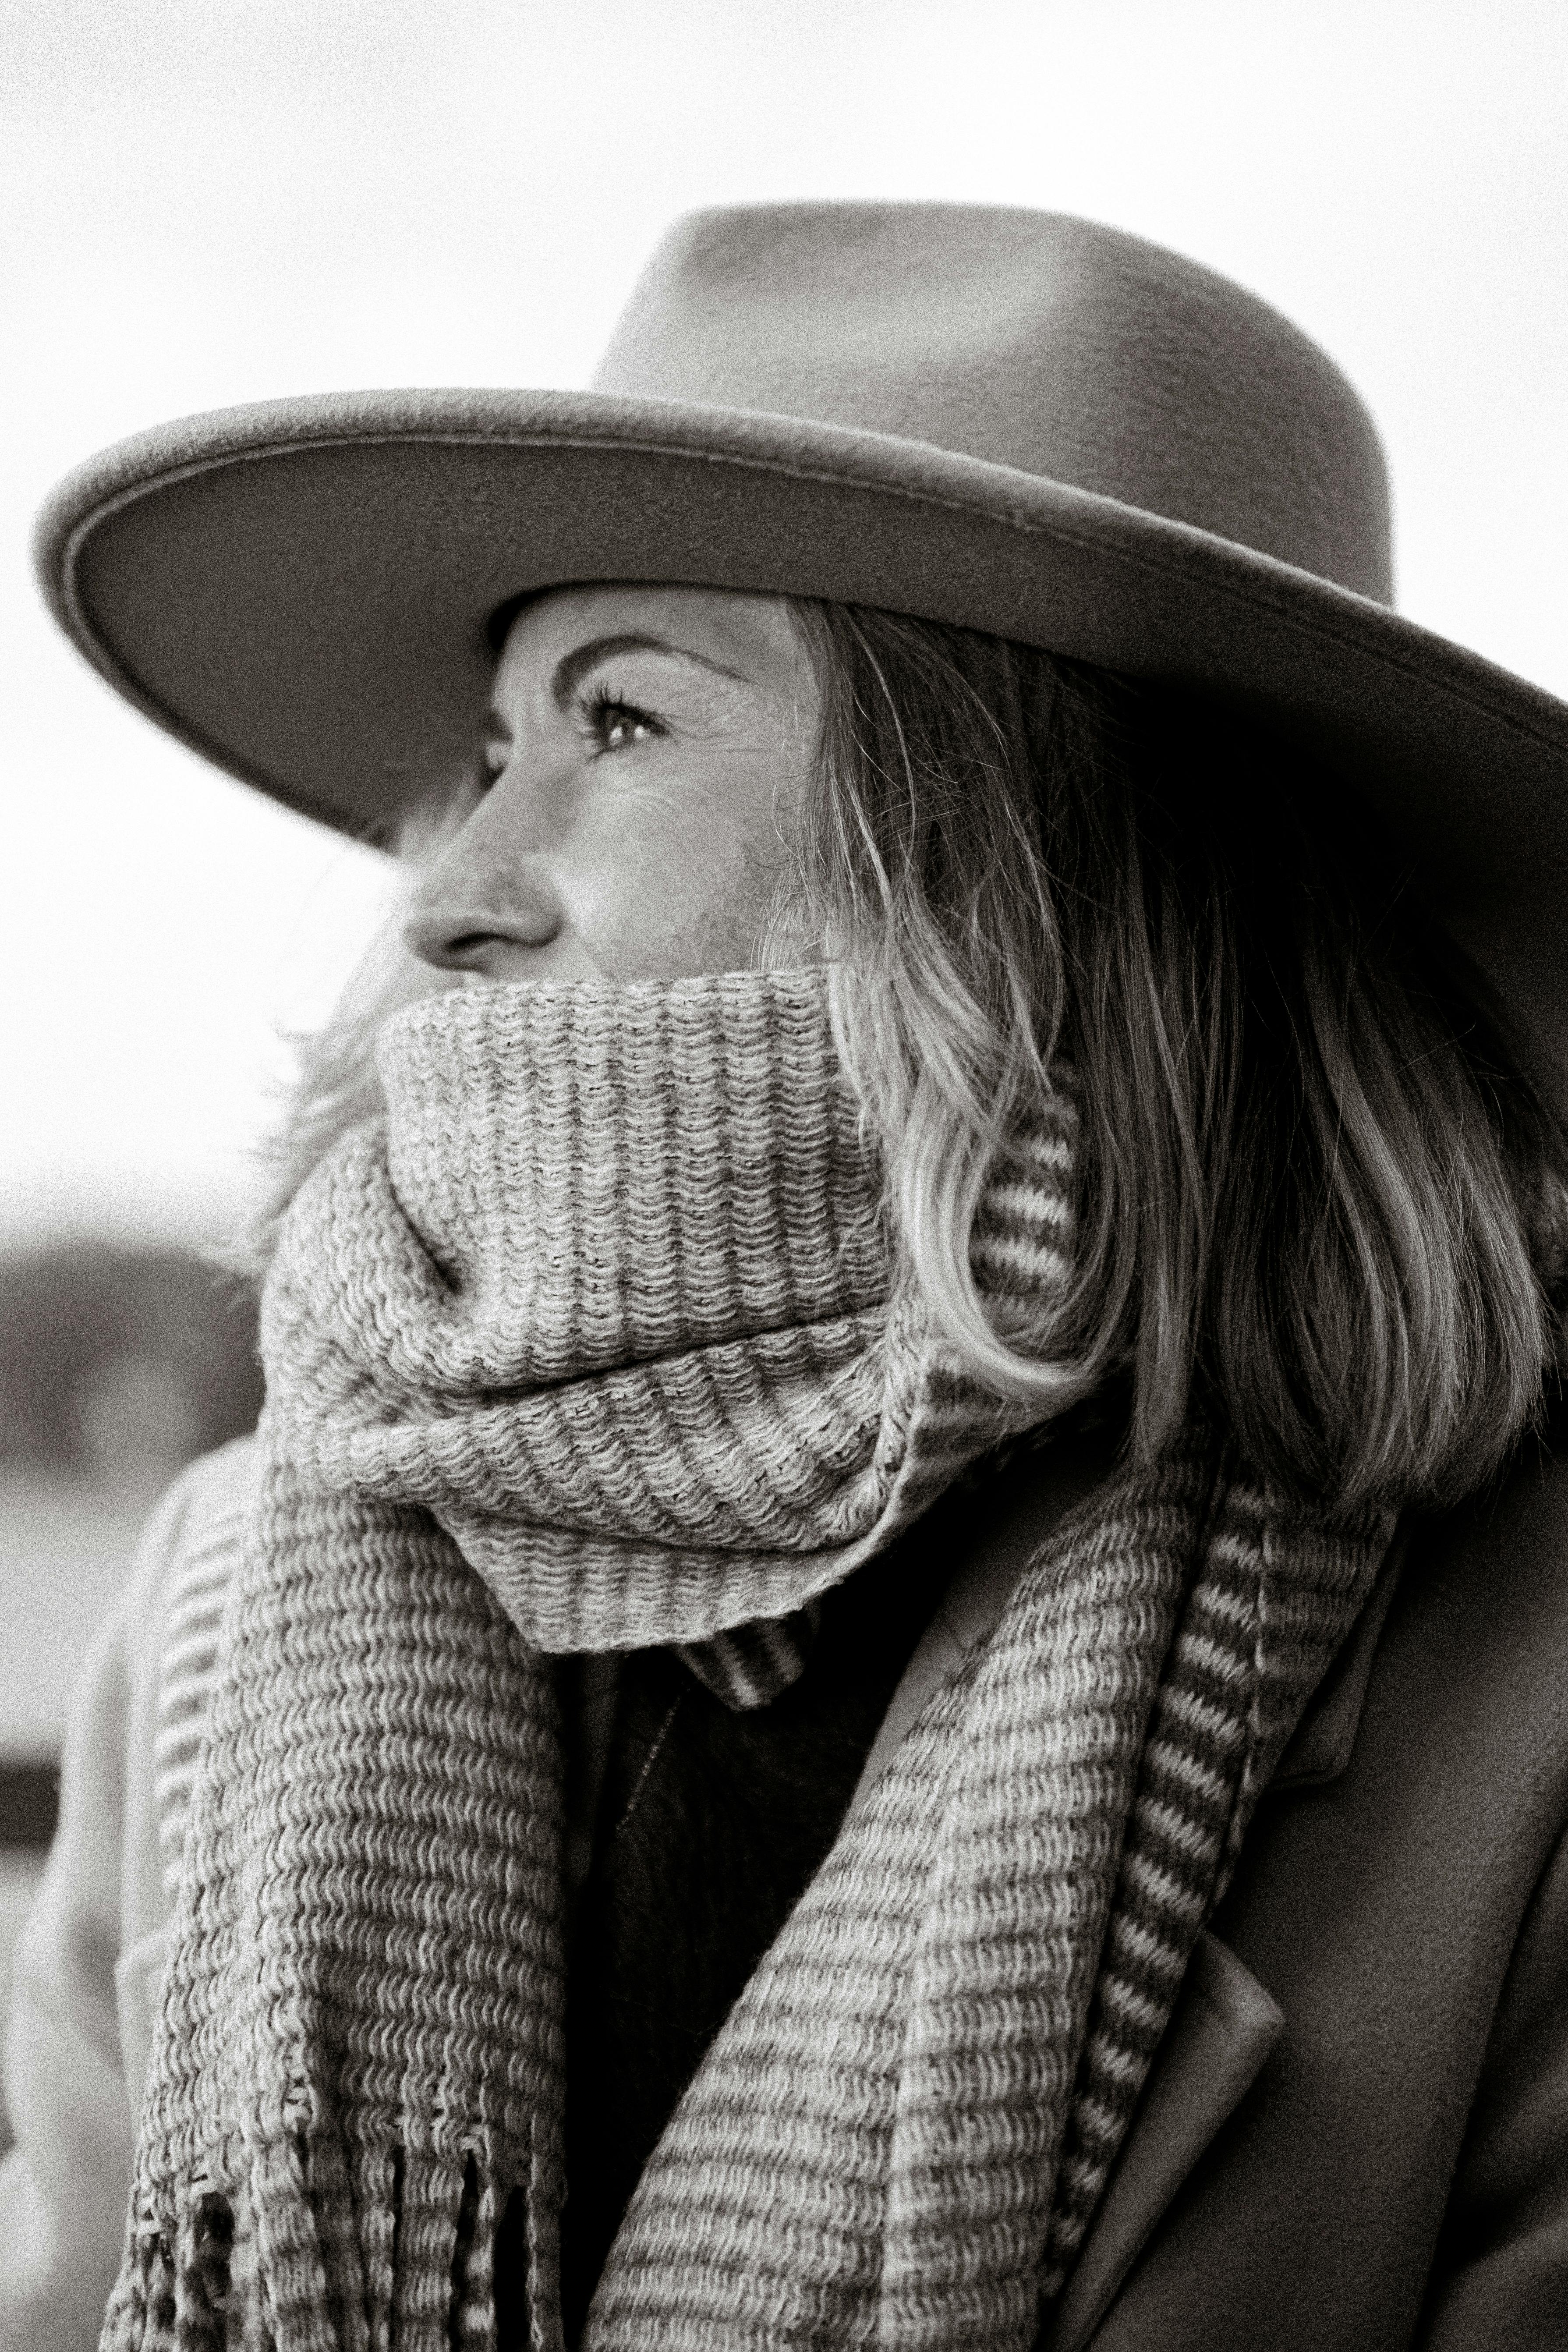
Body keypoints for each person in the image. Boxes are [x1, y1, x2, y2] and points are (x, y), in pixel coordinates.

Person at [5, 202, 1568, 2351]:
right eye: (486, 749)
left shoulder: (1530, 1710)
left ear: (1013, 858)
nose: (450, 886)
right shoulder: (214, 1598)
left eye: (619, 725)